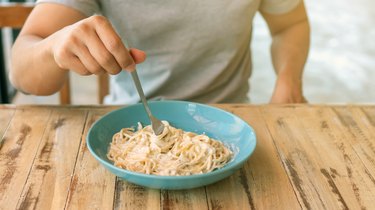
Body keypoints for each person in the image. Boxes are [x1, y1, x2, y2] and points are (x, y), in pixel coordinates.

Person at [10, 0, 310, 104]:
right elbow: (23, 74)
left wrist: (289, 80)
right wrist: (54, 48)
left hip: (230, 120)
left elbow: (290, 24)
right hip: (131, 122)